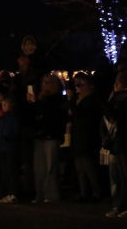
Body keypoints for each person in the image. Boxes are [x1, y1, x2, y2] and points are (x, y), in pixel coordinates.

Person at [28, 74, 66, 203]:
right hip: (40, 134)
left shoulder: (58, 99)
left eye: (48, 82)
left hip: (51, 134)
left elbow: (53, 115)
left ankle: (51, 194)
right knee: (40, 167)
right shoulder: (41, 99)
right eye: (44, 82)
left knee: (51, 166)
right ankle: (40, 194)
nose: (45, 85)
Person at [70, 73, 102, 203]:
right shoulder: (79, 100)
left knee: (89, 167)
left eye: (81, 84)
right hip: (78, 137)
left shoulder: (92, 100)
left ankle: (97, 193)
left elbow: (80, 115)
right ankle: (84, 193)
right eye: (77, 84)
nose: (78, 87)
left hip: (88, 137)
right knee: (80, 168)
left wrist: (73, 101)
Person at [101, 71, 127, 217]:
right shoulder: (114, 98)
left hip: (123, 142)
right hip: (116, 142)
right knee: (118, 177)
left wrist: (105, 105)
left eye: (119, 82)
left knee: (124, 176)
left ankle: (123, 206)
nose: (115, 85)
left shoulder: (122, 100)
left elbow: (116, 117)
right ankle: (119, 206)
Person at [0, 97, 21, 203]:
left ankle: (13, 193)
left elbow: (16, 132)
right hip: (3, 147)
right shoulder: (2, 118)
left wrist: (9, 138)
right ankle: (7, 193)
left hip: (11, 147)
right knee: (5, 171)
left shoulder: (14, 117)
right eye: (3, 104)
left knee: (11, 171)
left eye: (6, 104)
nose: (4, 106)